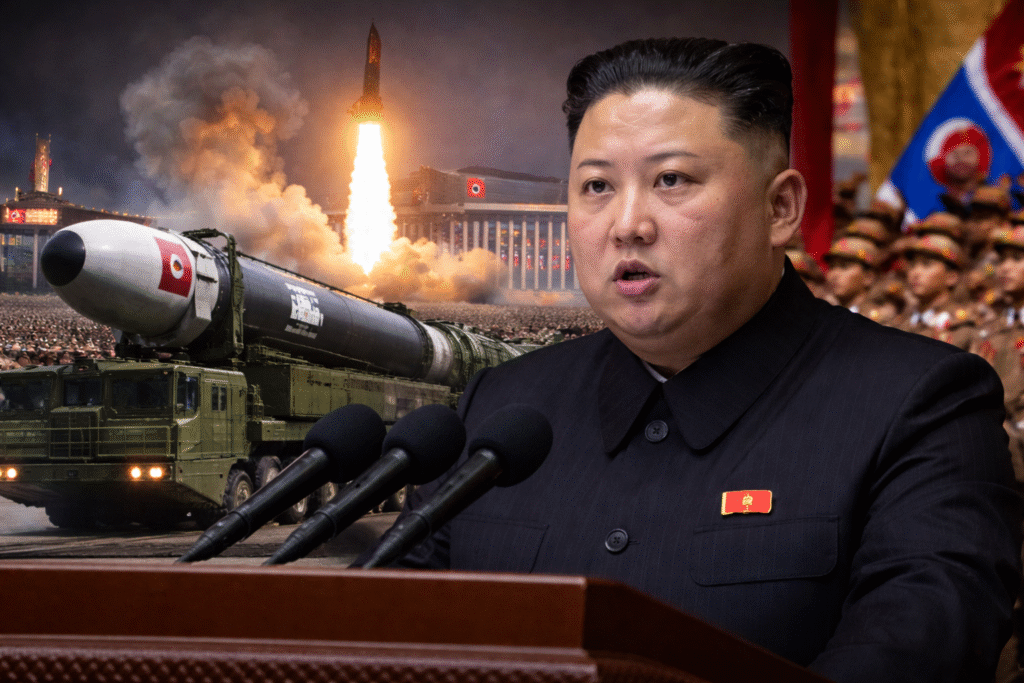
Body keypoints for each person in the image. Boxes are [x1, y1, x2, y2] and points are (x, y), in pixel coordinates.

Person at [376, 38, 1022, 682]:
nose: (627, 223)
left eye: (672, 181)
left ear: (780, 207)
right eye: (597, 185)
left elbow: (916, 650)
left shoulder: (920, 404)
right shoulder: (504, 410)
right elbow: (382, 638)